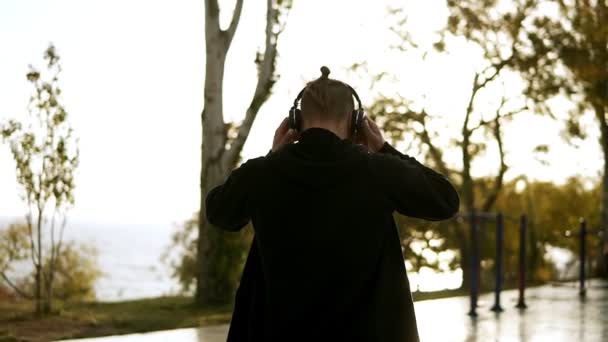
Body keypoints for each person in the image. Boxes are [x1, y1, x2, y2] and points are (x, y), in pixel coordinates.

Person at [206, 66, 460, 342]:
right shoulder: (378, 171)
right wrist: (384, 148)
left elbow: (219, 212)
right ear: (356, 122)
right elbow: (445, 200)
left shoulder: (263, 173)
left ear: (296, 121)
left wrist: (272, 155)